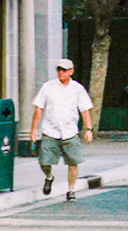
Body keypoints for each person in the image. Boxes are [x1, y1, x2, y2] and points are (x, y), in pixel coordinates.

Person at [29, 59, 94, 202]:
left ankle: (71, 190)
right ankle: (49, 177)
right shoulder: (48, 87)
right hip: (50, 130)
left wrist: (88, 129)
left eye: (64, 70)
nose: (61, 73)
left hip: (70, 131)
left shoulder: (77, 89)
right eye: (59, 69)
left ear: (71, 71)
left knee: (73, 162)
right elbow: (39, 108)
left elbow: (85, 110)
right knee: (44, 161)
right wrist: (34, 129)